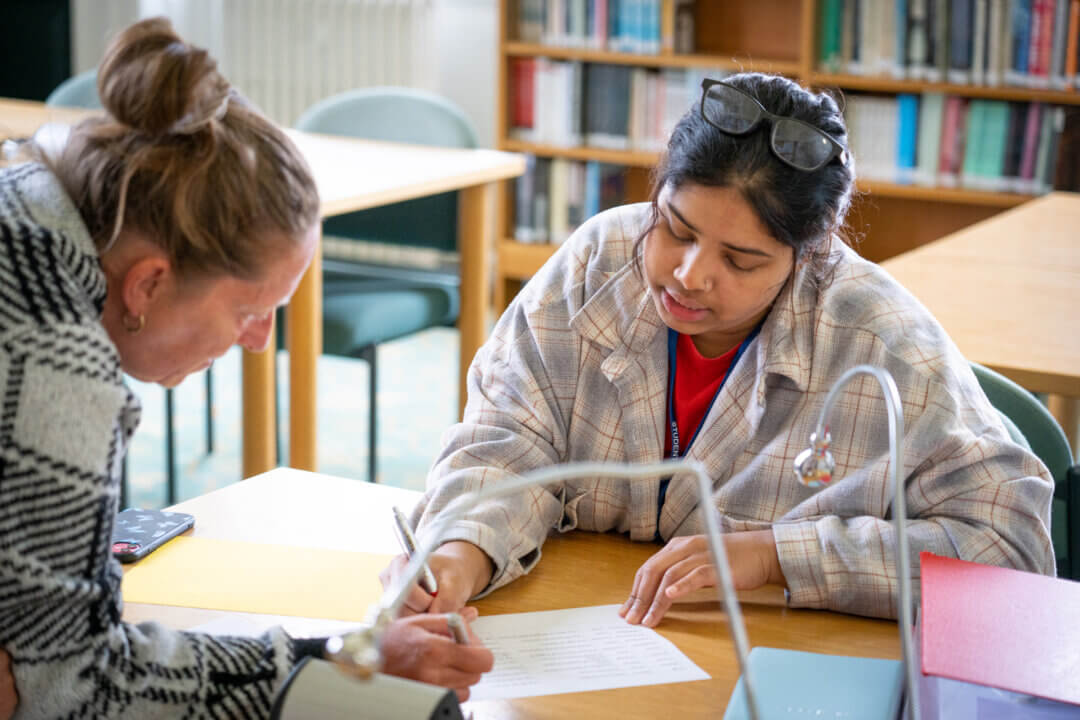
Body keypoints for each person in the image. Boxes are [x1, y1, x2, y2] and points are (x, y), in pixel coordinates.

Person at [382, 72, 1055, 626]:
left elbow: (1014, 552)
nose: (690, 274)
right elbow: (505, 446)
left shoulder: (880, 340)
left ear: (807, 256)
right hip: (583, 638)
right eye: (675, 229)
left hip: (777, 665)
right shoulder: (593, 265)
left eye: (741, 261)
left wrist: (777, 557)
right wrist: (458, 554)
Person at [0, 18, 491, 719]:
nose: (261, 342)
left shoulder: (16, 198)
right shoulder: (59, 367)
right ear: (146, 286)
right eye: (248, 311)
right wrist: (324, 665)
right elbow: (77, 687)